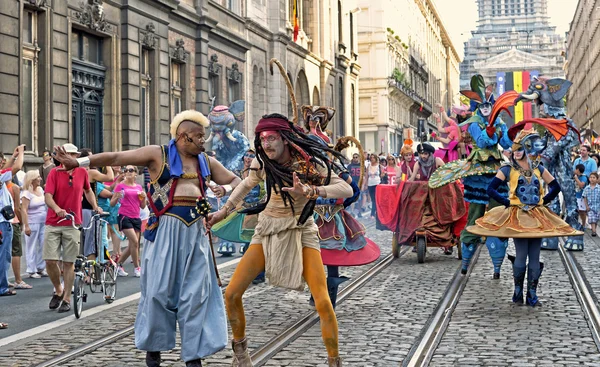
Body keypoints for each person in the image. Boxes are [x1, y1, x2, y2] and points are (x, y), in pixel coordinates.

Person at [52, 110, 241, 367]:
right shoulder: (158, 154)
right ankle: (154, 350)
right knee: (158, 294)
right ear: (183, 137)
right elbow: (117, 156)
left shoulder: (205, 161)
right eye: (199, 137)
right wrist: (80, 163)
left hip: (196, 234)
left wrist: (224, 199)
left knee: (196, 295)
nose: (203, 141)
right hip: (164, 232)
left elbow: (237, 180)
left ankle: (194, 357)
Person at [207, 114, 353, 367]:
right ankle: (241, 354)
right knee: (231, 293)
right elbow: (245, 185)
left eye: (272, 138)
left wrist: (311, 191)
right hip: (266, 229)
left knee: (323, 302)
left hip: (301, 230)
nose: (266, 144)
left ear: (285, 139)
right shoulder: (262, 163)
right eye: (262, 139)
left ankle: (334, 361)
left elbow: (346, 189)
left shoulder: (309, 165)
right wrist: (223, 211)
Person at [468, 127, 582, 306]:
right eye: (515, 150)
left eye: (521, 149)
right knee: (521, 254)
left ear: (527, 149)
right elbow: (491, 188)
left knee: (535, 255)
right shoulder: (507, 169)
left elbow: (556, 186)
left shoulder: (538, 167)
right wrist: (507, 202)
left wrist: (543, 202)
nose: (518, 153)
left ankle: (532, 295)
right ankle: (517, 293)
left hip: (537, 216)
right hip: (517, 216)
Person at [430, 75, 512, 278]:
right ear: (477, 106)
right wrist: (492, 130)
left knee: (498, 215)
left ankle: (497, 267)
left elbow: (508, 144)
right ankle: (466, 262)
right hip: (477, 173)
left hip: (496, 173)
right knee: (474, 216)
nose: (486, 108)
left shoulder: (498, 121)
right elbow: (483, 142)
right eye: (482, 104)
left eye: (489, 104)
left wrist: (509, 132)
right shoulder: (474, 122)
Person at [44, 143, 102, 313]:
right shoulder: (54, 173)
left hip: (72, 223)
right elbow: (48, 196)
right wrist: (57, 209)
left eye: (75, 155)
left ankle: (67, 298)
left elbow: (88, 191)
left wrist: (95, 206)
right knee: (50, 260)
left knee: (69, 263)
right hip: (54, 222)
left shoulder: (82, 172)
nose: (74, 158)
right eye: (71, 155)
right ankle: (59, 290)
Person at [79, 149, 114, 264]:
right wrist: (106, 162)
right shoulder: (90, 173)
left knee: (79, 243)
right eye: (92, 157)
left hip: (77, 210)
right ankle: (90, 272)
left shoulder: (75, 171)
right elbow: (110, 177)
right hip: (89, 210)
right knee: (91, 244)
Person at [111, 165, 145, 277]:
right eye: (126, 170)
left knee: (132, 245)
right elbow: (112, 203)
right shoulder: (120, 186)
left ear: (136, 173)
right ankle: (137, 268)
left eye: (131, 170)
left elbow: (143, 206)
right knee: (135, 242)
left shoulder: (139, 187)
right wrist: (117, 197)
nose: (128, 172)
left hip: (136, 216)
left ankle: (118, 264)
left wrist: (144, 198)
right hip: (124, 216)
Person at [0, 145, 25, 297]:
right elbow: (16, 168)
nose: (2, 163)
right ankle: (2, 286)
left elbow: (8, 168)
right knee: (4, 255)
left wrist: (13, 156)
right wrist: (21, 154)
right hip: (2, 221)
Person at [21, 170, 48, 278]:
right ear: (32, 179)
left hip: (43, 221)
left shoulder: (41, 190)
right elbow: (24, 209)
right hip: (32, 222)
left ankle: (41, 267)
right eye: (38, 177)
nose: (40, 179)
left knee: (43, 244)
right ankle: (31, 269)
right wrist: (26, 225)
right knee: (31, 246)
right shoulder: (26, 193)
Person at [366, 154, 385, 219]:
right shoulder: (368, 166)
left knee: (376, 199)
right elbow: (366, 176)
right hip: (370, 183)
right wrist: (365, 184)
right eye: (371, 158)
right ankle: (375, 213)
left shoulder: (379, 166)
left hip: (377, 183)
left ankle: (373, 214)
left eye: (373, 158)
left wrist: (382, 175)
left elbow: (383, 173)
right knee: (373, 199)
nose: (372, 159)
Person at [583, 172, 600, 237]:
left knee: (595, 220)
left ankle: (594, 229)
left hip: (598, 207)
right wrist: (586, 205)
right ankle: (594, 231)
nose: (592, 179)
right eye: (591, 177)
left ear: (597, 179)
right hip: (590, 207)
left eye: (594, 178)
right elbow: (585, 197)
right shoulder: (587, 188)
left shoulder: (599, 188)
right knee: (592, 219)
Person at [574, 164, 589, 228]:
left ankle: (583, 224)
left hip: (582, 197)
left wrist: (576, 179)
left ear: (577, 170)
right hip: (576, 196)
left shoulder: (584, 177)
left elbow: (581, 185)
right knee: (577, 210)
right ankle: (577, 223)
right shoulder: (576, 176)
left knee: (582, 211)